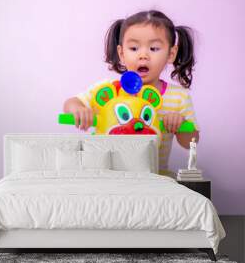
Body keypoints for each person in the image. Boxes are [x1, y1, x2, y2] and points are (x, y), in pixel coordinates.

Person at [63, 10, 199, 176]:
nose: (143, 55)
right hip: (108, 174)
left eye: (154, 48)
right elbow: (70, 103)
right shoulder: (108, 91)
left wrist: (180, 124)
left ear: (171, 54)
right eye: (134, 48)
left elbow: (191, 142)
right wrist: (79, 109)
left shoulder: (178, 97)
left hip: (153, 176)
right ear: (121, 53)